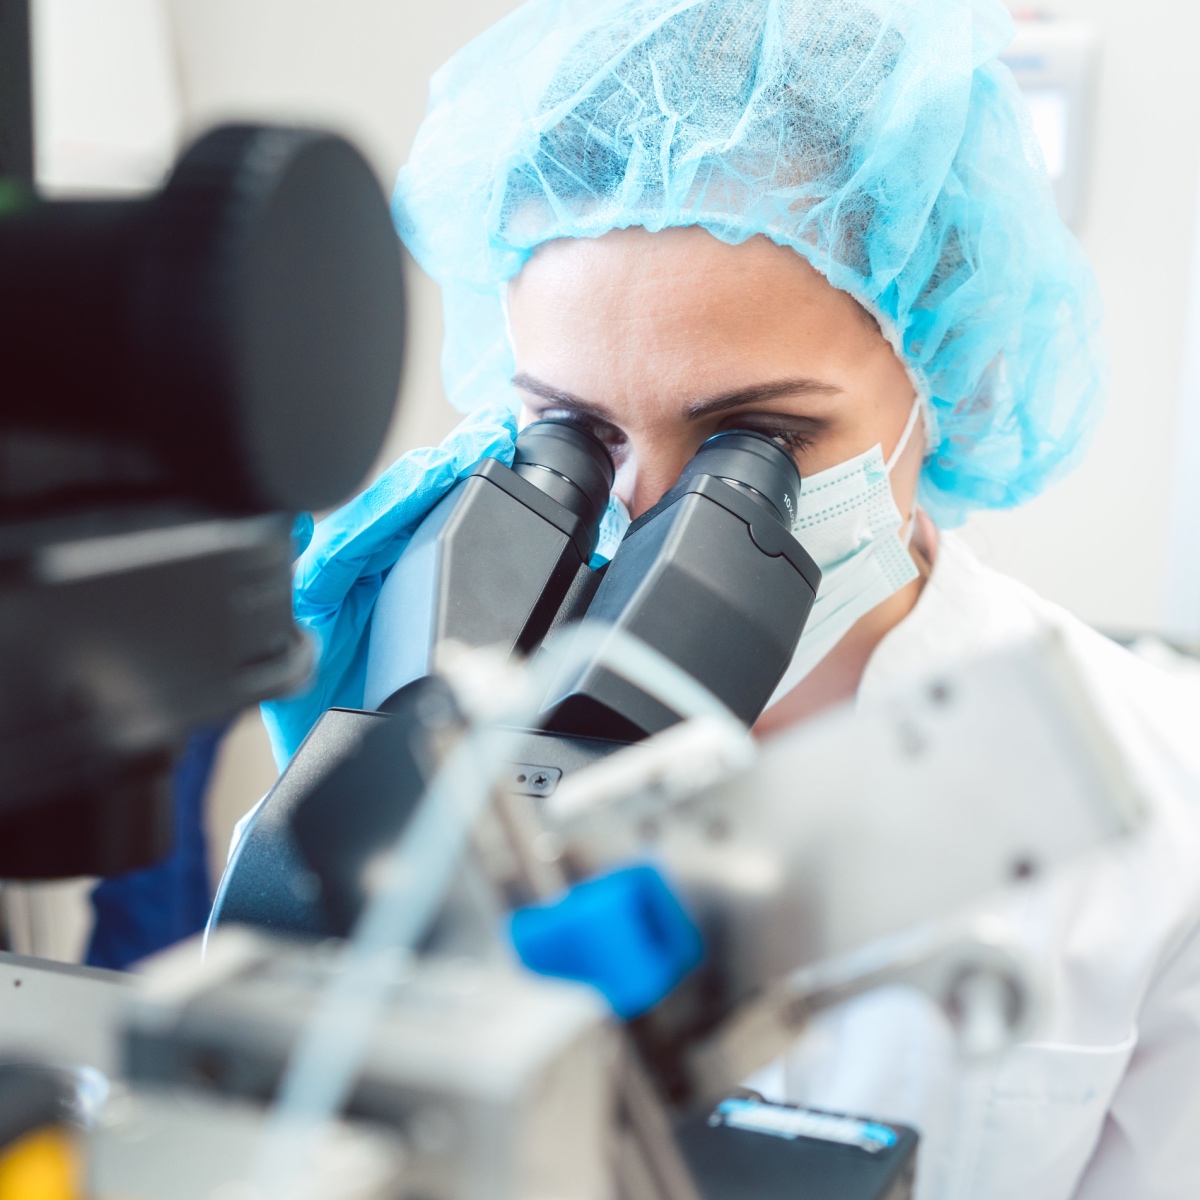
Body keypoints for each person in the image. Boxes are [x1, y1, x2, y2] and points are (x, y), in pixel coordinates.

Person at [259, 1, 1200, 1196]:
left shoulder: (1161, 811)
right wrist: (324, 844)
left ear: (944, 380)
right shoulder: (445, 745)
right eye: (575, 432)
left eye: (756, 438)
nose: (652, 514)